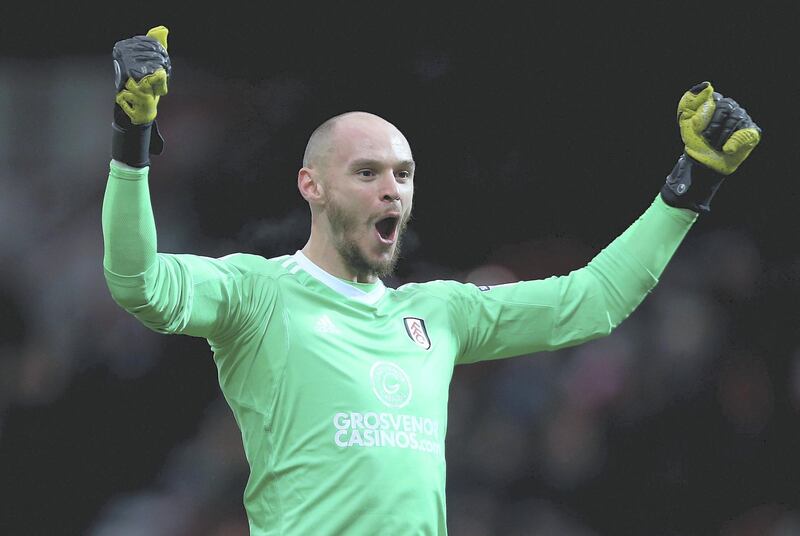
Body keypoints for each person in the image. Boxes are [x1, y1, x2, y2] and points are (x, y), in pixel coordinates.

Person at [102, 26, 761, 536]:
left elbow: (591, 302)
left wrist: (689, 188)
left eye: (403, 175)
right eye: (367, 173)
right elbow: (139, 282)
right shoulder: (257, 294)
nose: (391, 190)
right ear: (313, 186)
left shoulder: (439, 313)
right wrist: (132, 143)